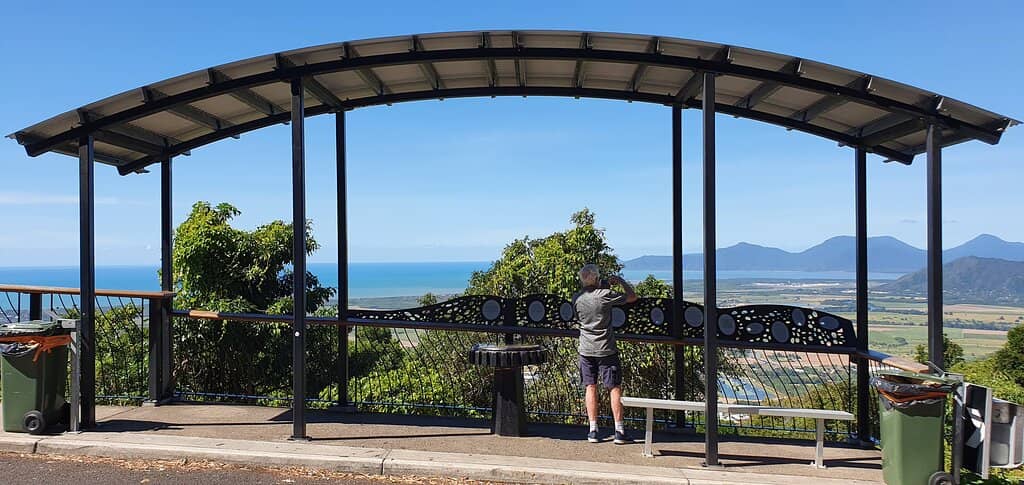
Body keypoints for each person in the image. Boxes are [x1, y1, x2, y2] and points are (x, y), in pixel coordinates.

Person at [572, 263, 637, 444]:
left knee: (590, 386)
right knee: (614, 387)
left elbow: (580, 315)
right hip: (606, 349)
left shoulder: (576, 298)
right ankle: (619, 430)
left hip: (585, 348)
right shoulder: (605, 295)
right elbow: (631, 297)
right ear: (597, 278)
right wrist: (620, 281)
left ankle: (593, 430)